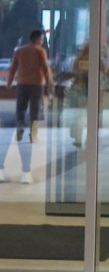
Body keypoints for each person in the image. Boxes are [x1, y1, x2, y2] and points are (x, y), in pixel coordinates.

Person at [5, 28, 53, 183]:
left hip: (22, 83)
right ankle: (32, 134)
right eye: (42, 39)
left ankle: (20, 125)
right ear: (37, 39)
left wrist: (9, 82)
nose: (43, 41)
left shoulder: (19, 51)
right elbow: (45, 67)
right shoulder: (40, 51)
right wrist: (50, 82)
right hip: (37, 83)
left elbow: (13, 68)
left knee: (20, 108)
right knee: (34, 108)